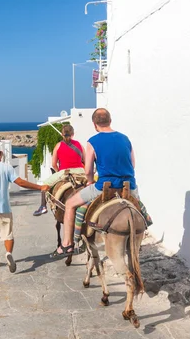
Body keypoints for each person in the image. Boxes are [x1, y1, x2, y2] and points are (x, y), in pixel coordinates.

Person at [53, 108, 140, 258]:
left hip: (104, 187)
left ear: (94, 124)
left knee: (70, 204)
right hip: (128, 186)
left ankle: (67, 243)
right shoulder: (125, 138)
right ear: (110, 121)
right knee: (138, 205)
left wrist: (90, 181)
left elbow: (88, 170)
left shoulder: (93, 141)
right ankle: (144, 222)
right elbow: (132, 164)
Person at [0, 142, 49, 272]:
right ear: (1, 154)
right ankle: (8, 253)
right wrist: (40, 187)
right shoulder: (7, 168)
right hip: (4, 207)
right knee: (7, 235)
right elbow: (21, 183)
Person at [33, 124, 85, 216]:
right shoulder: (79, 144)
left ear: (62, 134)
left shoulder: (58, 145)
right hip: (81, 171)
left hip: (65, 172)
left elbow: (53, 164)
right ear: (73, 134)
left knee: (44, 185)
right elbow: (85, 160)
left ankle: (43, 207)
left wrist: (58, 172)